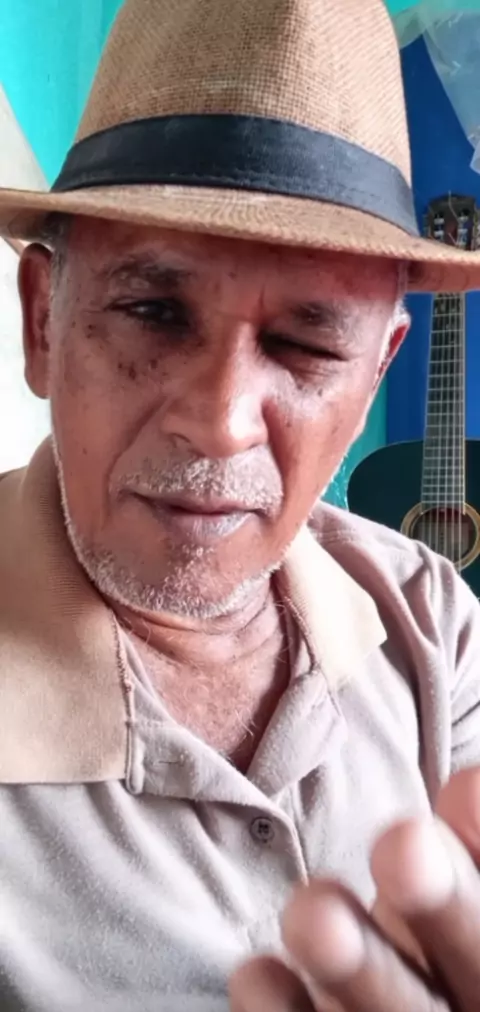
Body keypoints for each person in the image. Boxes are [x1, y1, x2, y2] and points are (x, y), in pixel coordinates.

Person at [1, 0, 480, 1008]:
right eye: (152, 312)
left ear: (377, 374)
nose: (220, 424)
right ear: (43, 322)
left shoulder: (432, 618)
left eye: (306, 345)